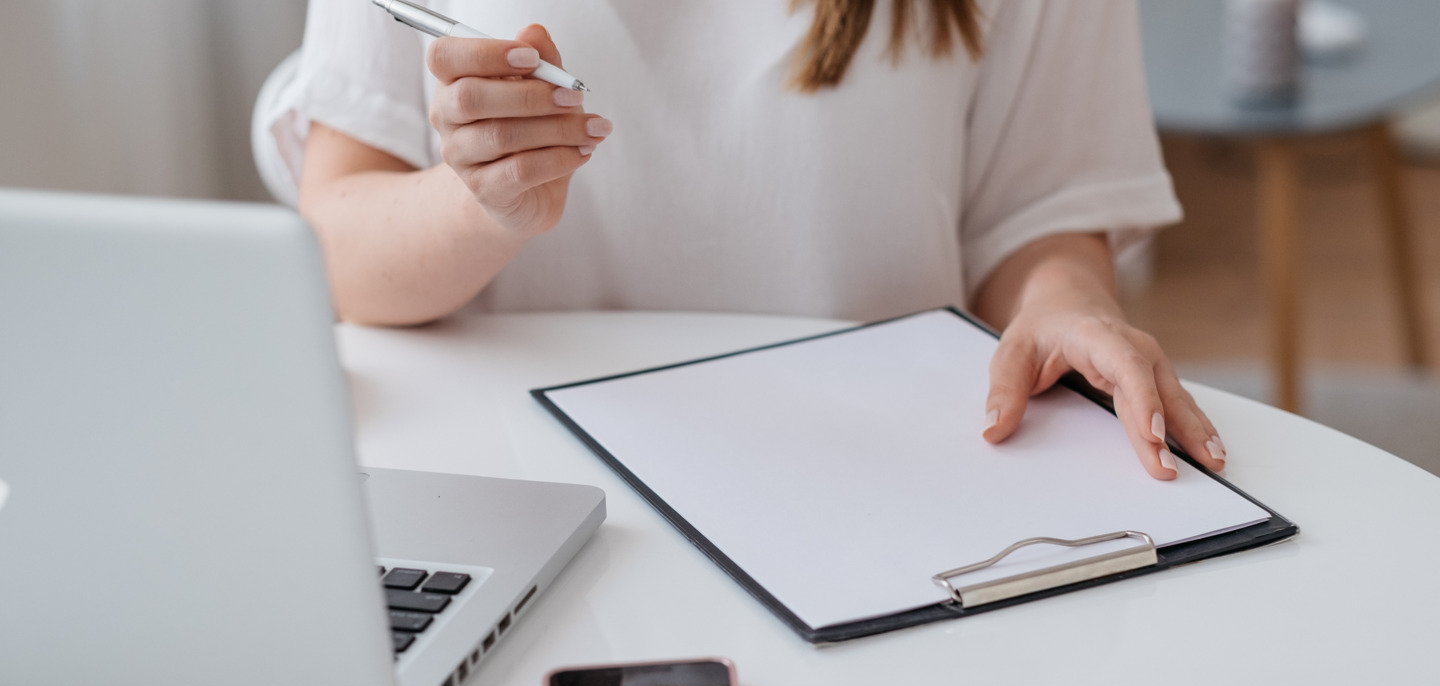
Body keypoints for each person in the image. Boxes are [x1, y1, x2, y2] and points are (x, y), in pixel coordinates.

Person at [259, 0, 1228, 481]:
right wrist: (481, 205)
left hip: (881, 488)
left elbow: (1039, 218)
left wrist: (1066, 308)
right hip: (517, 487)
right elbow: (338, 247)